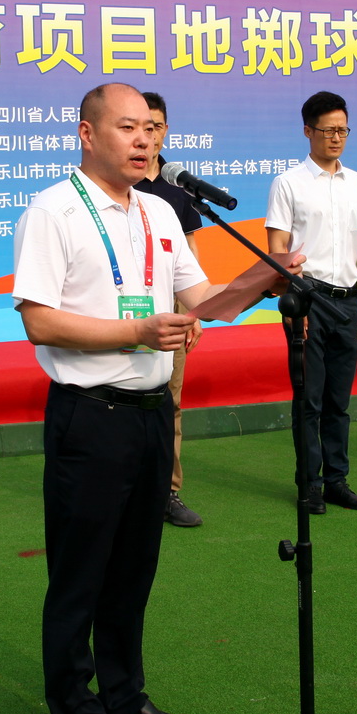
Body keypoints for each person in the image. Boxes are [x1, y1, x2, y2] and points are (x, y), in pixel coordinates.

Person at [13, 83, 264, 714]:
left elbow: (203, 301)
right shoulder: (54, 210)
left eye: (151, 128)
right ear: (87, 133)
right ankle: (76, 712)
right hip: (89, 418)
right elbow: (38, 320)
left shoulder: (159, 210)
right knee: (80, 577)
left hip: (152, 417)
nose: (144, 140)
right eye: (127, 127)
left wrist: (262, 279)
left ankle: (124, 698)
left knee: (132, 572)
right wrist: (136, 332)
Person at [265, 91, 357, 514]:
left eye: (342, 130)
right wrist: (293, 301)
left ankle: (337, 481)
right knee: (309, 400)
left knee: (337, 402)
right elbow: (277, 249)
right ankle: (309, 484)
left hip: (349, 303)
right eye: (328, 130)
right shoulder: (288, 183)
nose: (336, 138)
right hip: (307, 301)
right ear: (307, 131)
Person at [134, 92, 206, 528]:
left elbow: (190, 251)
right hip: (128, 305)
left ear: (166, 129)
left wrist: (193, 310)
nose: (149, 135)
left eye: (156, 126)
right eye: (139, 126)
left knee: (170, 400)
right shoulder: (121, 181)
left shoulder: (177, 186)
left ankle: (168, 491)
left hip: (173, 301)